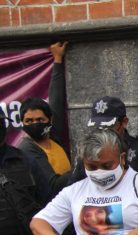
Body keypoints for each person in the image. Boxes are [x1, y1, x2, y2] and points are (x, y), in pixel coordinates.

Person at [69, 96, 138, 197]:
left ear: (124, 122)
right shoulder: (88, 153)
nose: (103, 132)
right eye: (98, 127)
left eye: (109, 127)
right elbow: (73, 190)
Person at [17, 42, 71, 203]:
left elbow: (56, 99)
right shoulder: (27, 148)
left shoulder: (53, 136)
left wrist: (58, 60)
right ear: (22, 123)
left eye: (40, 120)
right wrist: (84, 167)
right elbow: (53, 186)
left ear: (49, 120)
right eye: (29, 121)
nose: (35, 124)